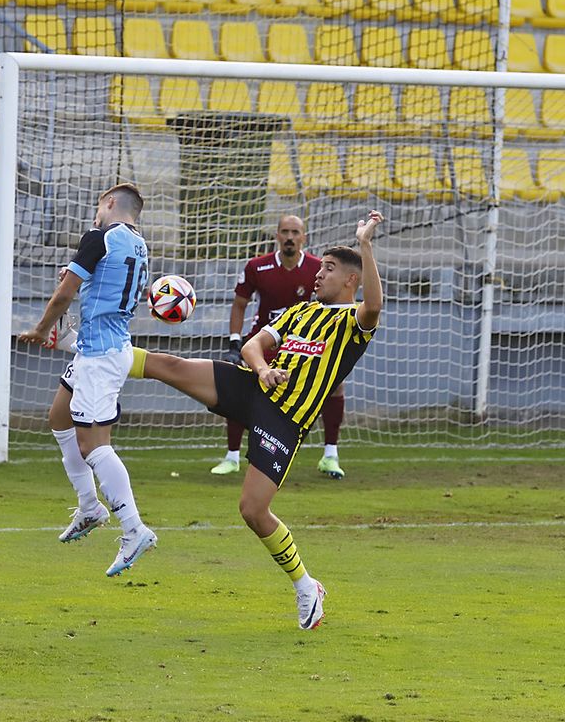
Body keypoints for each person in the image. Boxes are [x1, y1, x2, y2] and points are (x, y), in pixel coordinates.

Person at [132, 211, 385, 630]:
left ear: (350, 280)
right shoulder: (299, 312)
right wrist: (264, 369)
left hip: (285, 419)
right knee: (171, 366)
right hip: (254, 388)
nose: (318, 274)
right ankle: (92, 351)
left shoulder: (352, 322)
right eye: (320, 266)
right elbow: (254, 345)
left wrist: (365, 244)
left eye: (328, 268)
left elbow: (374, 305)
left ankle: (306, 586)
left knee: (252, 509)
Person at [18, 183, 158, 577]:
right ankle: (89, 506)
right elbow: (106, 290)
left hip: (101, 357)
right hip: (100, 348)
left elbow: (64, 295)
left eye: (99, 206)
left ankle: (134, 528)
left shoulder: (98, 236)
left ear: (110, 203)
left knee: (93, 445)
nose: (95, 214)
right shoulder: (139, 244)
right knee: (59, 417)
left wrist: (40, 328)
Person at [211, 214, 349, 480]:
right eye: (285, 232)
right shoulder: (256, 266)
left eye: (295, 232)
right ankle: (232, 457)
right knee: (239, 385)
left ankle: (330, 455)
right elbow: (239, 304)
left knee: (336, 385)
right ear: (277, 236)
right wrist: (235, 342)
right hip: (264, 340)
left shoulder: (318, 269)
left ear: (303, 237)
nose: (290, 237)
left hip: (302, 344)